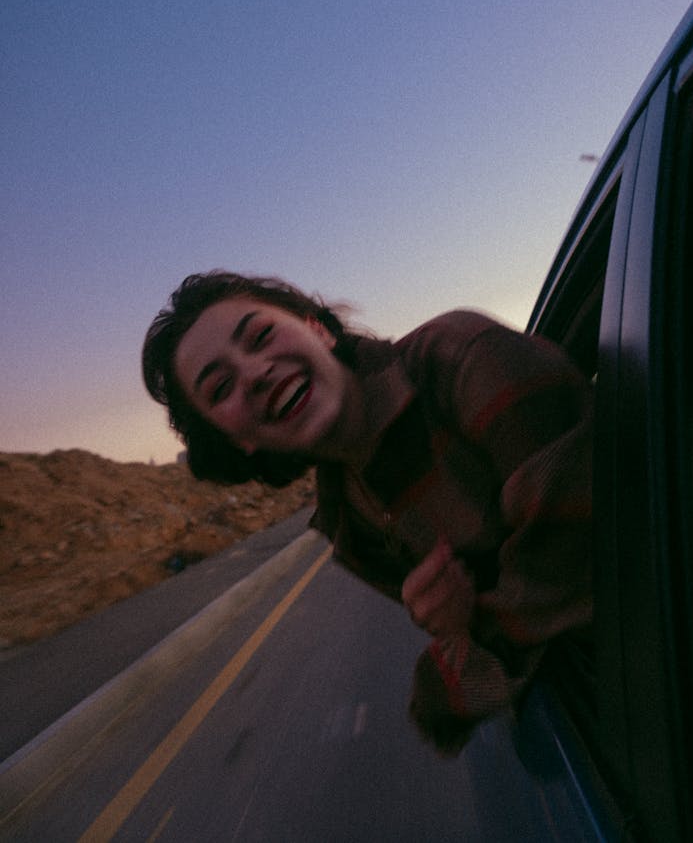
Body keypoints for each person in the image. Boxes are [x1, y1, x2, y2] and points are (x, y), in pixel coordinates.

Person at [142, 271, 592, 754]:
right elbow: (489, 628)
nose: (253, 375)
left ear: (319, 330)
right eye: (220, 387)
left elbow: (583, 552)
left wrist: (444, 679)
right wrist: (455, 625)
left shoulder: (461, 359)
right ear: (239, 441)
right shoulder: (347, 522)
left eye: (261, 336)